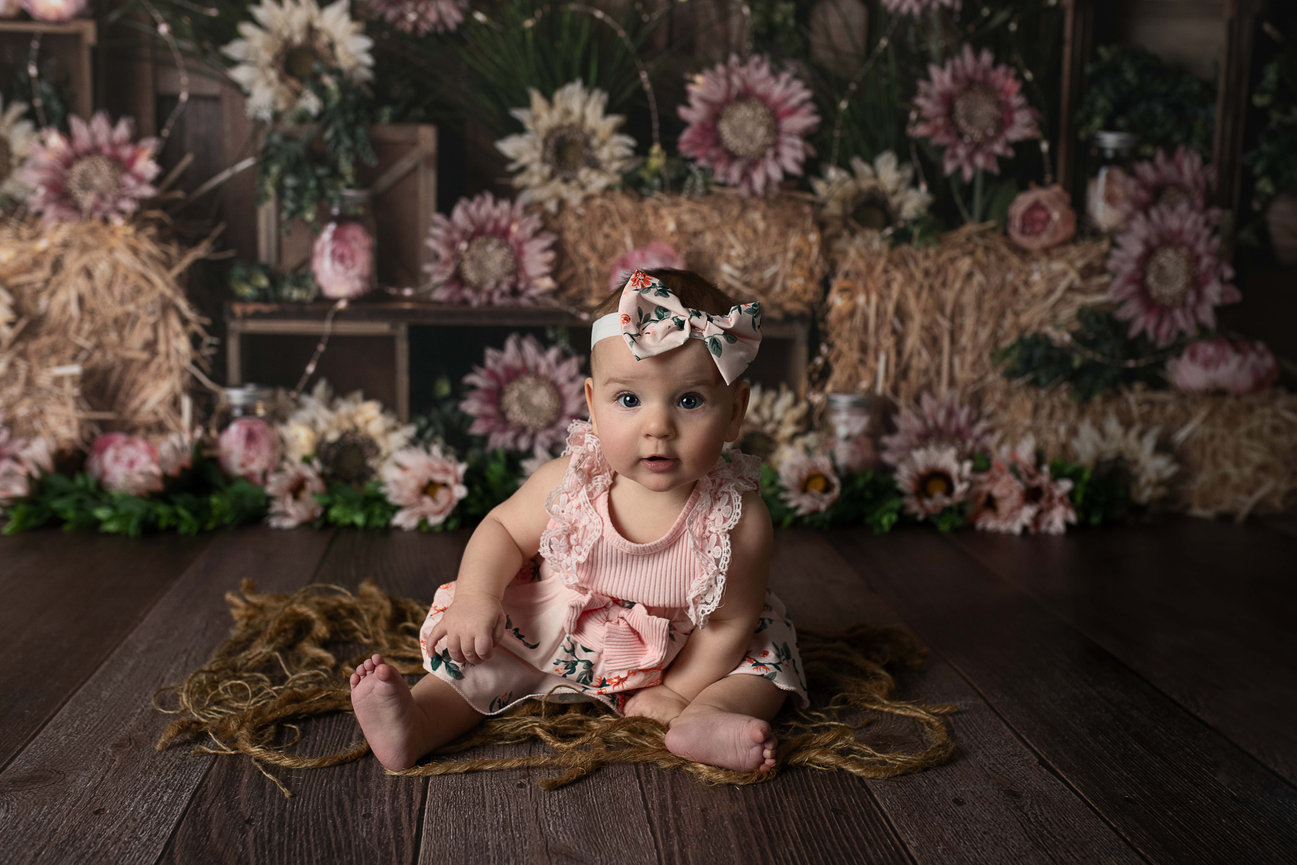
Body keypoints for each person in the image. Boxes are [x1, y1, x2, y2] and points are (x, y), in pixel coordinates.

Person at [350, 268, 807, 774]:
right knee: (480, 652)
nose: (658, 427)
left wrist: (677, 689)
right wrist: (476, 599)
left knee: (764, 655)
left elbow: (727, 625)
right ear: (592, 404)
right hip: (560, 627)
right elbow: (501, 531)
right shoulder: (570, 481)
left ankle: (706, 717)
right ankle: (417, 721)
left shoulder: (737, 518)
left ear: (734, 412)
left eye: (690, 400)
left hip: (689, 654)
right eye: (629, 400)